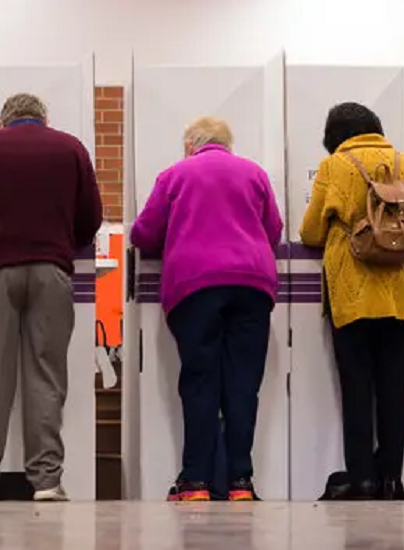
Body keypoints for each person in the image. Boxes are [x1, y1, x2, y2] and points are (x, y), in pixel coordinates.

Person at [0, 93, 101, 502]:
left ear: (4, 120)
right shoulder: (71, 149)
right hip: (51, 270)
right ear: (43, 120)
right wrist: (64, 240)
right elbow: (92, 215)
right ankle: (47, 481)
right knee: (46, 376)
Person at [130, 117, 282, 502]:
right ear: (227, 144)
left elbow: (144, 234)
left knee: (200, 380)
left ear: (190, 145)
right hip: (251, 285)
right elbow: (274, 230)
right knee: (243, 384)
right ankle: (240, 483)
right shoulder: (255, 174)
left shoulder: (175, 175)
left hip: (195, 286)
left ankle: (196, 481)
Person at [299, 102, 404, 501]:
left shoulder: (334, 167)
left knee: (357, 390)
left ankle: (364, 479)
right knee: (395, 390)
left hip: (351, 296)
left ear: (334, 135)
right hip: (400, 295)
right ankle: (392, 480)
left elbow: (311, 230)